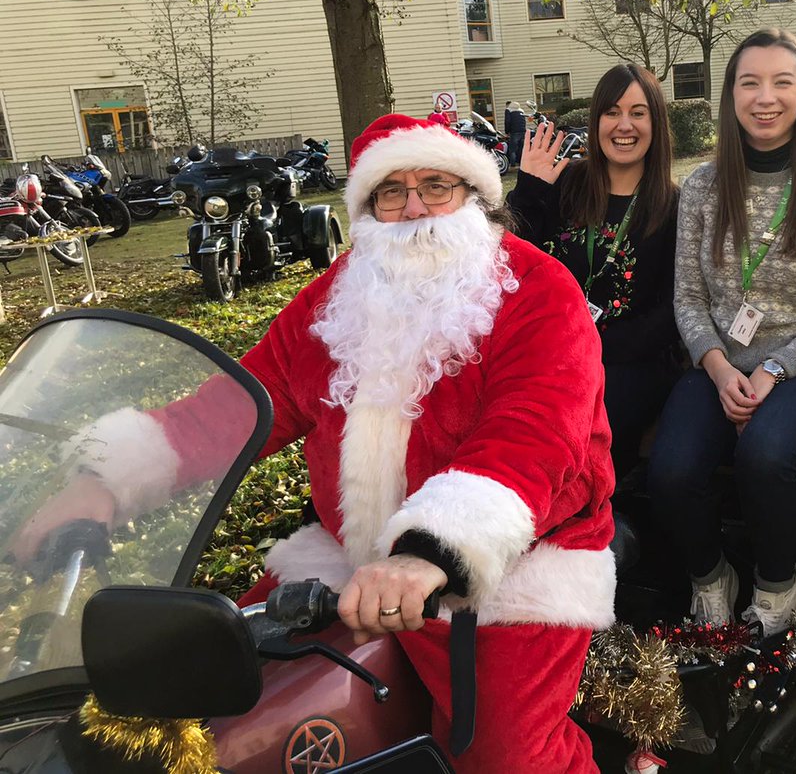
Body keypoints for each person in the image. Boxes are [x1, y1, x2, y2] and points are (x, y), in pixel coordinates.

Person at [14, 115, 616, 773]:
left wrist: (429, 553)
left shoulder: (539, 291)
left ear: (471, 195)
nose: (414, 207)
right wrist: (103, 481)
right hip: (352, 558)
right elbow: (239, 406)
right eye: (392, 191)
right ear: (366, 210)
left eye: (436, 185)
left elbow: (531, 438)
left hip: (512, 566)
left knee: (507, 759)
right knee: (182, 691)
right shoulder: (338, 298)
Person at [647, 29, 796, 637]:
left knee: (766, 455)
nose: (765, 97)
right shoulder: (702, 187)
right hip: (719, 365)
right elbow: (690, 299)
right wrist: (720, 368)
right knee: (669, 467)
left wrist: (774, 370)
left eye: (782, 81)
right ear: (730, 95)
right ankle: (710, 576)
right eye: (750, 82)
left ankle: (778, 584)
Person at [506, 64, 680, 480]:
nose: (624, 125)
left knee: (581, 437)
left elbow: (672, 310)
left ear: (655, 123)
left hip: (626, 364)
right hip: (547, 353)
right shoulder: (561, 184)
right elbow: (510, 265)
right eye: (612, 111)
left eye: (639, 112)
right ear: (596, 119)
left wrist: (591, 350)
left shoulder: (674, 206)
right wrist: (528, 191)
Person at [504, 100, 526, 167]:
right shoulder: (522, 111)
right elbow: (524, 121)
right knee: (521, 148)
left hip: (514, 132)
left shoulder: (508, 110)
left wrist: (507, 131)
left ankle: (513, 164)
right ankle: (521, 163)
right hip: (522, 131)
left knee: (512, 149)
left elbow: (507, 121)